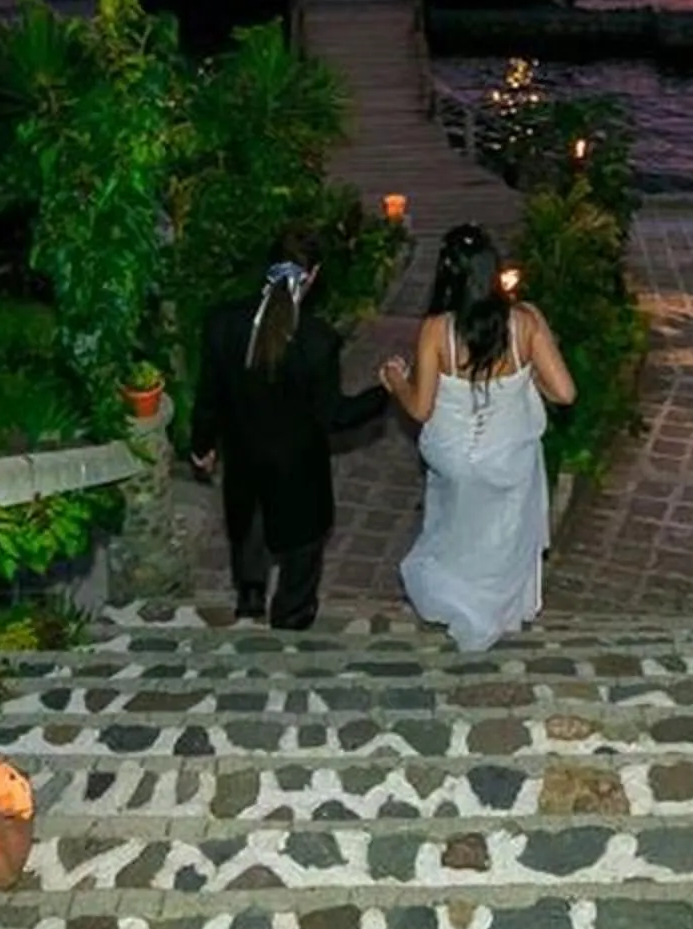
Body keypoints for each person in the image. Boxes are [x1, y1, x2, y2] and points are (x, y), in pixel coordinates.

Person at [380, 223, 575, 652]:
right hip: (508, 456)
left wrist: (396, 380)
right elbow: (565, 391)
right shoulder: (526, 321)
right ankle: (497, 610)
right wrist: (529, 377)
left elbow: (420, 409)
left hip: (454, 458)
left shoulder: (436, 330)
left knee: (455, 528)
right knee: (503, 533)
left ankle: (456, 601)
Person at [188, 243, 389, 629]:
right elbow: (335, 416)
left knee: (249, 528)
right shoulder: (317, 340)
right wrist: (384, 392)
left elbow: (208, 395)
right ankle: (291, 619)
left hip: (244, 457)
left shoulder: (222, 322)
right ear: (311, 276)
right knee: (301, 550)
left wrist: (202, 444)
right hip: (298, 470)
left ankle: (249, 601)